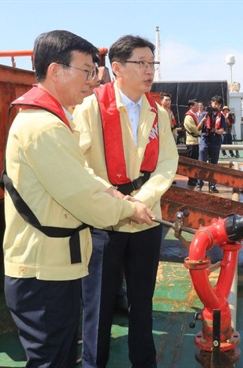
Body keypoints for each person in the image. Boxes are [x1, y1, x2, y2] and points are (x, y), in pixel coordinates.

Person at [1, 30, 154, 368]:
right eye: (86, 70)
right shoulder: (45, 127)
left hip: (54, 265)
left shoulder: (50, 119)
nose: (93, 80)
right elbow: (85, 200)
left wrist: (111, 192)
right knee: (52, 360)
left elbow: (80, 178)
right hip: (43, 272)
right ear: (56, 71)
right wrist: (129, 207)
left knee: (60, 355)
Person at [73, 34, 178, 368]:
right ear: (116, 68)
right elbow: (80, 164)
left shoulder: (157, 112)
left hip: (146, 221)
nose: (149, 71)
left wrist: (142, 200)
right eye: (141, 63)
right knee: (98, 307)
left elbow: (167, 164)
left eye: (152, 64)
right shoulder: (91, 106)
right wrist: (118, 200)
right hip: (104, 222)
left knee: (142, 303)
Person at [196, 96, 226, 192]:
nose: (216, 105)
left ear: (220, 105)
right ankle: (199, 184)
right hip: (205, 139)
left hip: (215, 140)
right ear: (211, 103)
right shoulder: (204, 114)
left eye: (218, 104)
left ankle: (212, 185)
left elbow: (222, 131)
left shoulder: (221, 117)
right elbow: (198, 128)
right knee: (202, 161)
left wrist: (216, 131)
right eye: (214, 103)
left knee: (214, 164)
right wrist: (203, 120)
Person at [184, 99, 202, 186]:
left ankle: (194, 178)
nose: (198, 107)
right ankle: (191, 179)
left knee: (195, 161)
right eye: (196, 105)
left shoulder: (194, 115)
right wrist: (202, 134)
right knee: (192, 161)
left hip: (195, 142)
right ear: (191, 106)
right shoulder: (188, 117)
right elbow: (194, 129)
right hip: (191, 142)